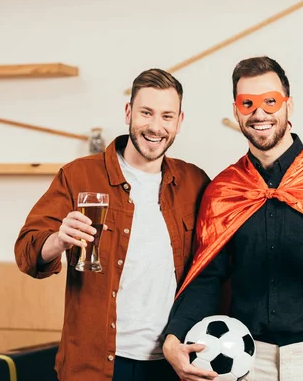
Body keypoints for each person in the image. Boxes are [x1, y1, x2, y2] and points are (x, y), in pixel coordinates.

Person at [162, 56, 303, 381]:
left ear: (289, 106)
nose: (259, 114)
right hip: (247, 358)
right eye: (248, 103)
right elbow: (207, 278)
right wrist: (175, 334)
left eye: (270, 102)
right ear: (236, 110)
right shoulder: (224, 191)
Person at [14, 69, 210, 381]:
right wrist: (58, 240)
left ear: (180, 121)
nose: (155, 127)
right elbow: (26, 251)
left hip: (170, 365)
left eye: (167, 116)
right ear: (128, 112)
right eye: (146, 113)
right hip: (95, 365)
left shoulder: (194, 182)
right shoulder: (79, 176)